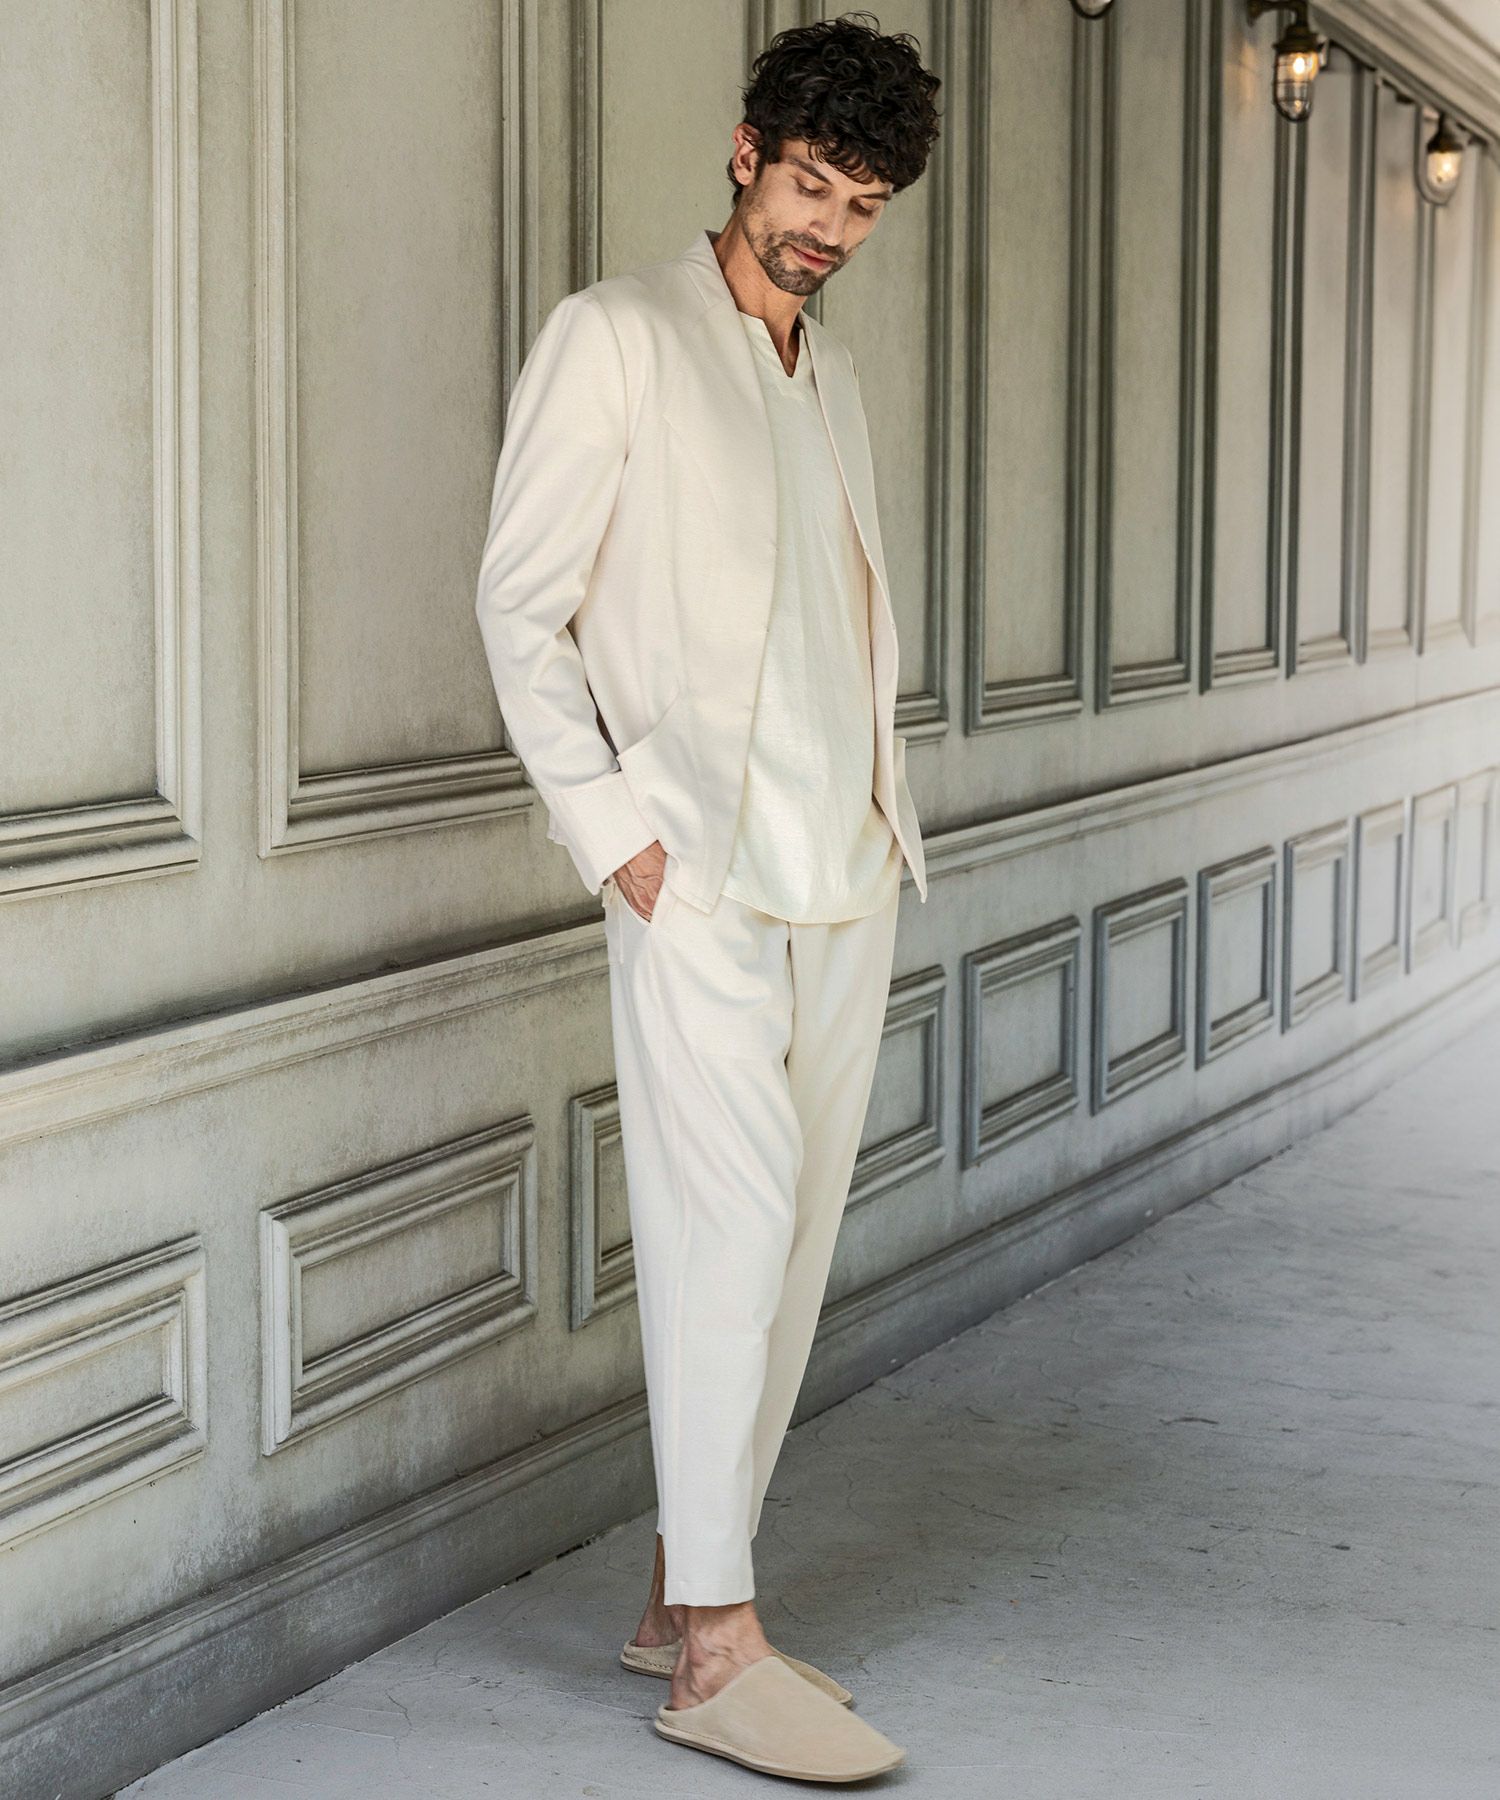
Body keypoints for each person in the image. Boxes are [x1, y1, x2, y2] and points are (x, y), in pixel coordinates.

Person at [474, 11, 940, 1781]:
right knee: (721, 1236)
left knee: (792, 1251)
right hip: (701, 877)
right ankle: (720, 1655)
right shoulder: (616, 336)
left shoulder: (831, 376)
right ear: (748, 154)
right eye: (811, 184)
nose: (830, 227)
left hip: (848, 872)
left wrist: (885, 816)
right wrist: (618, 838)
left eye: (864, 204)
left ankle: (685, 1597)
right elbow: (519, 604)